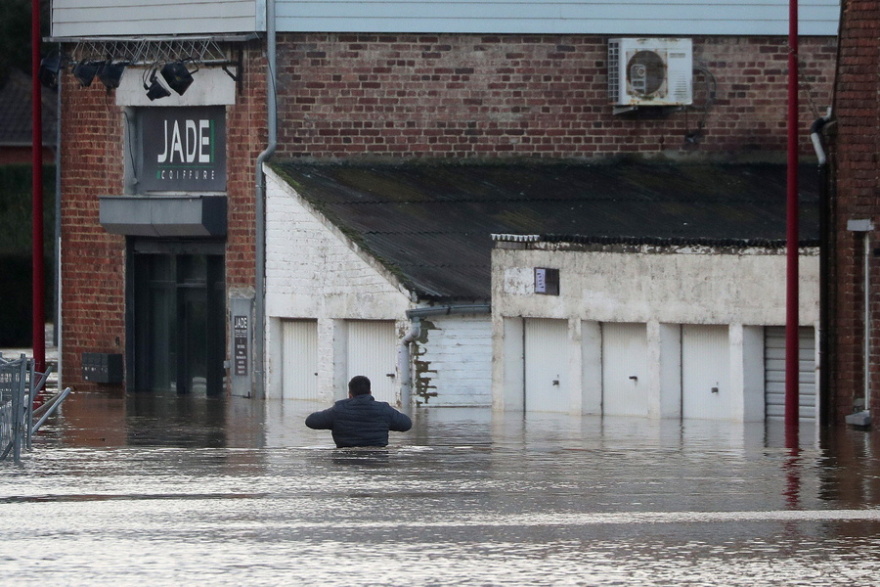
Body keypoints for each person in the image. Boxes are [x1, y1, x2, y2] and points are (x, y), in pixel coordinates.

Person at [305, 375, 412, 448]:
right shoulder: (384, 409)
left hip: (345, 459)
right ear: (370, 392)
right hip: (378, 458)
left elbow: (311, 421)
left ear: (350, 394)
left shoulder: (338, 410)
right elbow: (406, 424)